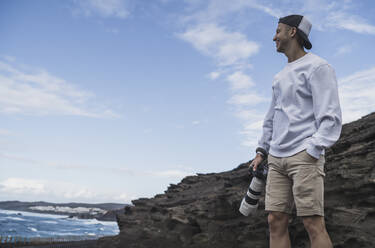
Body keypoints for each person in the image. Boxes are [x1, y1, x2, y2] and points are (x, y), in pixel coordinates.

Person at [250, 15, 342, 248]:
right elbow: (272, 116)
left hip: (304, 156)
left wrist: (312, 150)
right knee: (275, 220)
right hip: (276, 159)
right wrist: (262, 150)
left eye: (278, 31)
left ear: (292, 32)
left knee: (312, 222)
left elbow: (331, 117)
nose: (274, 37)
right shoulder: (279, 76)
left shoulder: (318, 67)